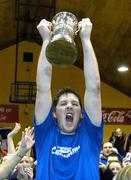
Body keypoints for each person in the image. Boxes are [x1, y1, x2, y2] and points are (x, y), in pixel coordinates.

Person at [34, 17, 104, 180]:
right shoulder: (45, 133)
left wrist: (86, 39)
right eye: (63, 104)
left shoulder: (90, 134)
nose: (69, 107)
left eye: (74, 104)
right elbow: (42, 89)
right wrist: (46, 40)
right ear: (53, 113)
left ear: (82, 114)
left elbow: (94, 89)